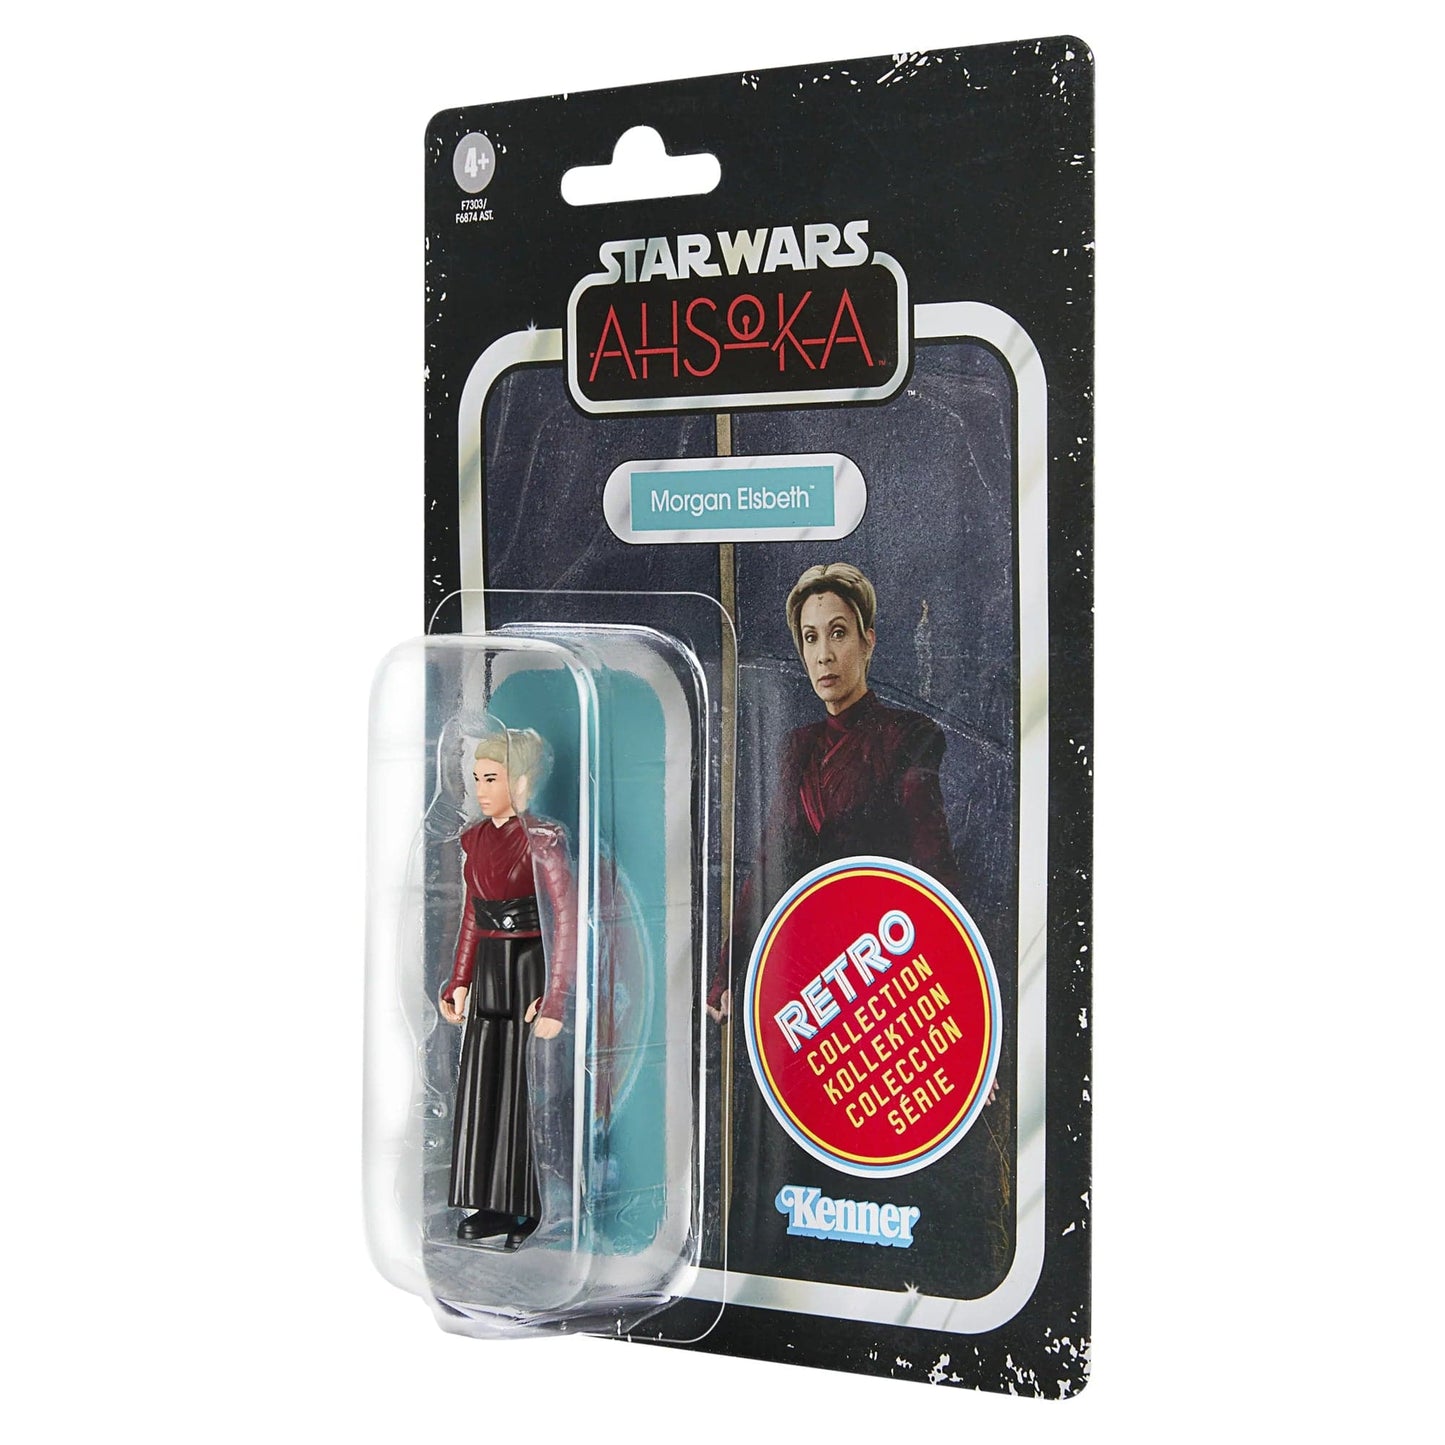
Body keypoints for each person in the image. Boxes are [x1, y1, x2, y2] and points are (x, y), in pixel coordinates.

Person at [709, 562, 959, 1020]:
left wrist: (947, 980)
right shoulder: (798, 748)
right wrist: (728, 970)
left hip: (885, 965)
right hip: (813, 981)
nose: (823, 654)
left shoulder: (908, 736)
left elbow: (933, 866)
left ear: (868, 641)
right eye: (810, 638)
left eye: (838, 633)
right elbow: (770, 861)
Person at [439, 727, 575, 1246]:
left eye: (491, 778)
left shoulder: (543, 841)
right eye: (477, 778)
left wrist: (556, 997)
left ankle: (530, 1207)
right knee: (485, 1082)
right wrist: (460, 980)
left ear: (520, 782)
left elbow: (566, 921)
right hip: (491, 971)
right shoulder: (474, 840)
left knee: (526, 1088)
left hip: (529, 969)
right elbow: (472, 917)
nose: (480, 789)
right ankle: (491, 1202)